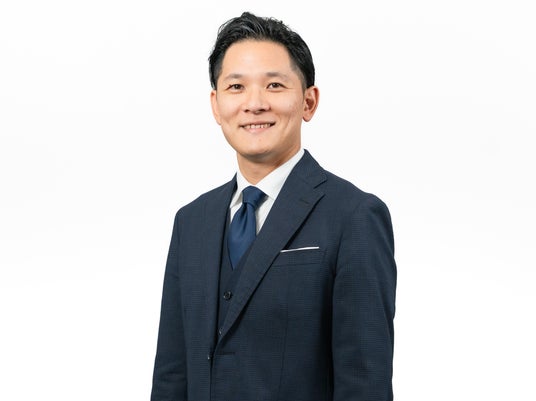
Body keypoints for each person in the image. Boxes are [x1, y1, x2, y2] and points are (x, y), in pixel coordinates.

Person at [151, 11, 396, 401]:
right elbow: (171, 376)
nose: (254, 103)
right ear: (216, 105)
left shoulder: (354, 217)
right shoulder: (191, 222)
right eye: (236, 87)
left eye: (275, 85)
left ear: (308, 101)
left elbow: (364, 384)